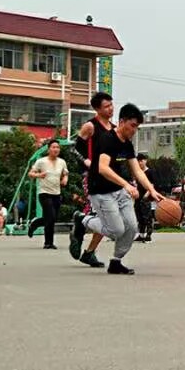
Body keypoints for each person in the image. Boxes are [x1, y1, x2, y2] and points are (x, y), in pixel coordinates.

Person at [67, 103, 162, 275]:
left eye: (137, 127)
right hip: (100, 191)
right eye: (132, 125)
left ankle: (116, 262)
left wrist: (151, 189)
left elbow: (137, 170)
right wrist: (126, 184)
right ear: (122, 121)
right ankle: (82, 220)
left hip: (119, 190)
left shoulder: (127, 144)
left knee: (131, 227)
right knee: (116, 230)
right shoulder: (107, 139)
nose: (134, 130)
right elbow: (103, 168)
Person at [72, 92, 116, 268]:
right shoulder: (90, 126)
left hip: (109, 177)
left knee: (108, 219)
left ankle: (89, 251)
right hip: (92, 177)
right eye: (106, 106)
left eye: (111, 105)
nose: (111, 108)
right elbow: (75, 150)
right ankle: (81, 220)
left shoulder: (114, 129)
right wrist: (86, 162)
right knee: (102, 215)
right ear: (97, 109)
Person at [27, 140, 70, 249]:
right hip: (44, 192)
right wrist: (39, 175)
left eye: (58, 147)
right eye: (53, 147)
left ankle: (35, 223)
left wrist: (65, 179)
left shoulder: (62, 162)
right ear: (48, 149)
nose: (56, 149)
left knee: (52, 218)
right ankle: (48, 243)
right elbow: (30, 173)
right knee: (50, 217)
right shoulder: (41, 161)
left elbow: (65, 173)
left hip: (56, 193)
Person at [133, 154, 156, 241]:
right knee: (139, 216)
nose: (140, 163)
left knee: (147, 216)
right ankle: (141, 235)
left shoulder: (149, 172)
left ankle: (148, 235)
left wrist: (147, 195)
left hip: (145, 197)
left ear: (144, 161)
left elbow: (152, 185)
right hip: (138, 197)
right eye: (138, 162)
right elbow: (136, 184)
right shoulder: (138, 172)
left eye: (141, 161)